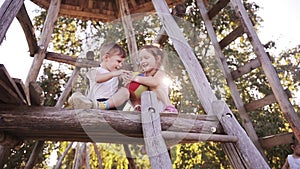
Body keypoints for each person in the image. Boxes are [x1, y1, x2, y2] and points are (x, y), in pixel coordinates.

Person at [68, 42, 131, 110]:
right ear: (106, 57)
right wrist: (115, 74)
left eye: (122, 63)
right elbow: (98, 79)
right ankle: (85, 103)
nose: (120, 65)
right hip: (96, 102)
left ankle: (102, 106)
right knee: (77, 95)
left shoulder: (116, 75)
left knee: (125, 91)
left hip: (111, 104)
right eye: (118, 61)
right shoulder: (94, 70)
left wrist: (125, 77)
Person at [124, 44, 178, 113]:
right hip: (148, 110)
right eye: (140, 59)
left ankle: (170, 106)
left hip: (161, 110)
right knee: (132, 89)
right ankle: (137, 107)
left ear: (158, 59)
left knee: (153, 86)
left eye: (146, 58)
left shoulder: (160, 73)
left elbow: (154, 82)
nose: (143, 61)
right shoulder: (142, 75)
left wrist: (134, 78)